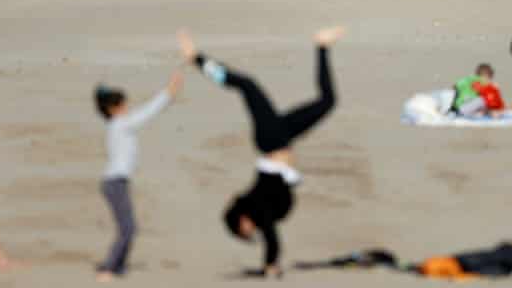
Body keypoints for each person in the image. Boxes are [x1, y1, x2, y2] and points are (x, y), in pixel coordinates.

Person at [177, 27, 345, 278]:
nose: (249, 231)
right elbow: (270, 235)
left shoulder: (257, 208)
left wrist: (269, 265)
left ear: (242, 220)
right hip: (281, 138)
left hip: (272, 140)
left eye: (244, 230)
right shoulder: (260, 209)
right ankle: (321, 46)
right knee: (327, 101)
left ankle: (197, 60)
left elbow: (272, 240)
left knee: (248, 86)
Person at [94, 57, 184, 282]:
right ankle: (108, 268)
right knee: (128, 227)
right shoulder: (121, 124)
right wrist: (169, 92)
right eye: (122, 105)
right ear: (112, 109)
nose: (126, 108)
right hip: (115, 183)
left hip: (116, 182)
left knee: (129, 227)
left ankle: (118, 267)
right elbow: (147, 113)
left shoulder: (118, 125)